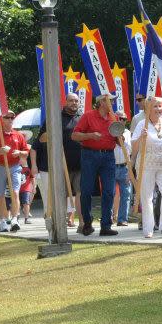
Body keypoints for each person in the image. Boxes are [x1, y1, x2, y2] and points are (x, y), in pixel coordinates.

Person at [72, 94, 120, 236]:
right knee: (86, 190)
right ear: (101, 102)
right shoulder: (88, 116)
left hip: (108, 156)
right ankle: (87, 222)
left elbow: (118, 140)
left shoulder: (114, 118)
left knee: (109, 191)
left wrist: (120, 138)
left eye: (112, 100)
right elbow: (74, 135)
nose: (112, 102)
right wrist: (90, 135)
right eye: (110, 100)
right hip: (89, 155)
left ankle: (106, 225)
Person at [131, 97, 162, 238]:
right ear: (148, 109)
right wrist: (140, 138)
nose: (158, 109)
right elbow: (134, 147)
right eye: (155, 106)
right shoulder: (141, 125)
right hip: (146, 164)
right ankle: (148, 228)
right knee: (147, 196)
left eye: (160, 106)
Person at [0, 110, 29, 233]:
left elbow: (26, 152)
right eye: (7, 117)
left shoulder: (18, 135)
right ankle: (4, 221)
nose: (10, 119)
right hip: (0, 167)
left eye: (12, 117)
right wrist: (0, 152)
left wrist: (19, 153)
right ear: (2, 119)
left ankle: (15, 219)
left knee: (15, 193)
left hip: (15, 167)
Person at [62, 92, 83, 229]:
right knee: (62, 194)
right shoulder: (56, 117)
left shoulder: (82, 118)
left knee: (80, 193)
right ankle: (61, 222)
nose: (74, 103)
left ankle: (82, 222)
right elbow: (42, 138)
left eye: (76, 101)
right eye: (71, 100)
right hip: (62, 165)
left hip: (81, 163)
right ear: (65, 101)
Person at [111, 114, 133, 227]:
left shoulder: (128, 133)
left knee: (126, 194)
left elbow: (130, 150)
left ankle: (122, 219)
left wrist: (122, 140)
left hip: (124, 166)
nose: (121, 121)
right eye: (119, 118)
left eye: (124, 119)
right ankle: (108, 218)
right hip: (111, 166)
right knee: (109, 193)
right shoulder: (110, 131)